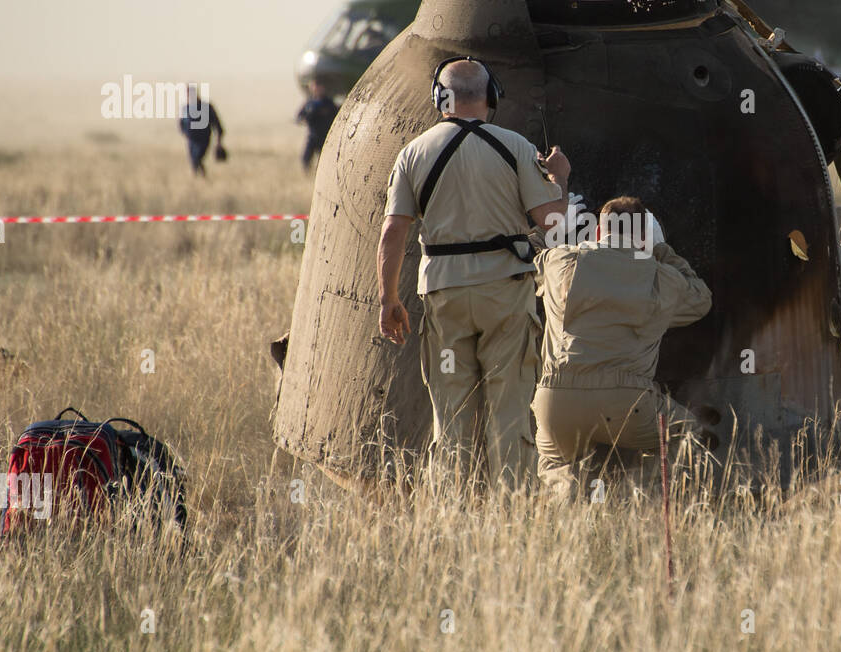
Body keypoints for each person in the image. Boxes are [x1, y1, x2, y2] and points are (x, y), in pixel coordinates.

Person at [376, 57, 570, 484]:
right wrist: (559, 180)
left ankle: (453, 516)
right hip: (505, 296)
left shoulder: (413, 152)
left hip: (445, 299)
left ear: (439, 98)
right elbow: (553, 225)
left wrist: (389, 300)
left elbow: (393, 231)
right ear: (491, 96)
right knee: (510, 410)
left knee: (451, 413)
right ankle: (510, 515)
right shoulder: (515, 146)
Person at [532, 197, 712, 491]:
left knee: (556, 465)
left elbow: (525, 258)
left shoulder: (561, 260)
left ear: (598, 232)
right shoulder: (659, 276)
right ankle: (637, 499)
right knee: (685, 434)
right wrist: (659, 249)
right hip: (627, 403)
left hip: (557, 399)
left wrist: (555, 224)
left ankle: (568, 522)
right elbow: (701, 299)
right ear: (643, 236)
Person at [179, 84, 225, 177]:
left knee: (197, 159)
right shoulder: (186, 108)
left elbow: (216, 123)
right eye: (187, 94)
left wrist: (219, 141)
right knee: (193, 162)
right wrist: (185, 133)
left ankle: (202, 179)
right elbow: (181, 123)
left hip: (203, 140)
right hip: (192, 140)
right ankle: (199, 179)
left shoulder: (206, 107)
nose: (188, 96)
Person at [295, 80, 340, 173]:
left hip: (325, 137)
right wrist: (302, 119)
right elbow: (300, 115)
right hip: (312, 136)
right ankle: (307, 173)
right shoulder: (309, 103)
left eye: (318, 86)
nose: (316, 89)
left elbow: (336, 114)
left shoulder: (328, 103)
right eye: (314, 86)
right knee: (306, 158)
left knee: (323, 160)